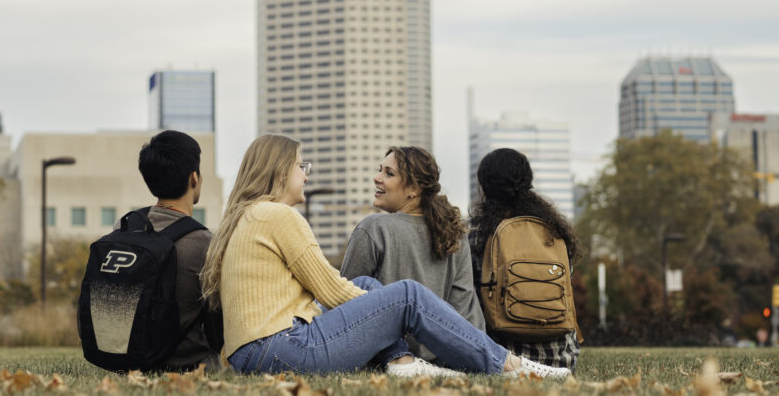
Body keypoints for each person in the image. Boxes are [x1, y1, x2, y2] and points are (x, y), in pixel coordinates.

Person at [200, 134, 570, 379]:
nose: (306, 175)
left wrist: (379, 307)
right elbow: (331, 292)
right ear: (280, 171)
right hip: (280, 351)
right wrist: (395, 312)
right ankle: (510, 365)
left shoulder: (252, 214)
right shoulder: (278, 215)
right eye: (302, 167)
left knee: (367, 284)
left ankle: (401, 362)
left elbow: (339, 290)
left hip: (258, 351)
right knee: (406, 295)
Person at [341, 146, 485, 365]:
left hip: (386, 360)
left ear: (414, 189)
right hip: (445, 359)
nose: (377, 178)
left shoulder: (373, 228)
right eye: (381, 170)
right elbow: (464, 308)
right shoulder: (455, 232)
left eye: (389, 173)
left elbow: (344, 304)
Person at [469, 147, 582, 371]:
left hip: (503, 357)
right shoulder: (555, 231)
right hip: (562, 357)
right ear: (528, 180)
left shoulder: (477, 236)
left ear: (484, 186)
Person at [136, 130, 224, 370]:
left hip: (128, 358)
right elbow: (218, 332)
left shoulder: (124, 229)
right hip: (189, 364)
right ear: (194, 178)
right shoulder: (205, 242)